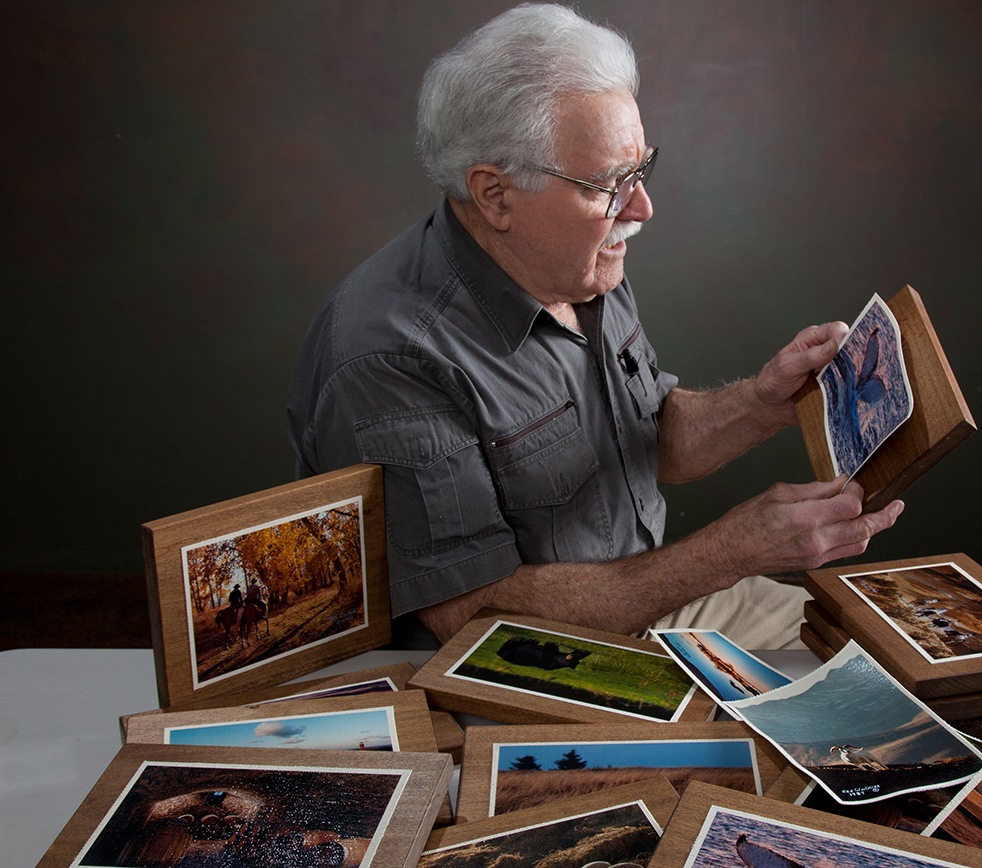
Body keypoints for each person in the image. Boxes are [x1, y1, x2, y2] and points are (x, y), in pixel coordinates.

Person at [286, 4, 903, 648]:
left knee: (881, 656)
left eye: (640, 169)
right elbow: (473, 622)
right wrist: (732, 551)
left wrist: (761, 402)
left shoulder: (576, 261)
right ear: (496, 194)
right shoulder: (388, 355)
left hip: (654, 603)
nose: (641, 207)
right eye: (609, 183)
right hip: (525, 666)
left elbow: (641, 437)